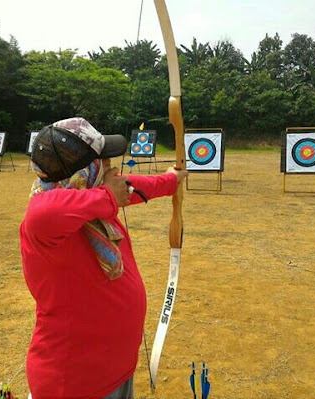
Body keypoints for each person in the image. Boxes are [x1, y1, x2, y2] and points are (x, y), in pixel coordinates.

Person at [20, 117, 188, 399]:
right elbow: (44, 213)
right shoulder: (45, 220)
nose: (111, 166)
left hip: (115, 371)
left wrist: (171, 180)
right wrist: (108, 195)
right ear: (85, 170)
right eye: (104, 159)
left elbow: (130, 187)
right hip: (74, 383)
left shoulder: (89, 199)